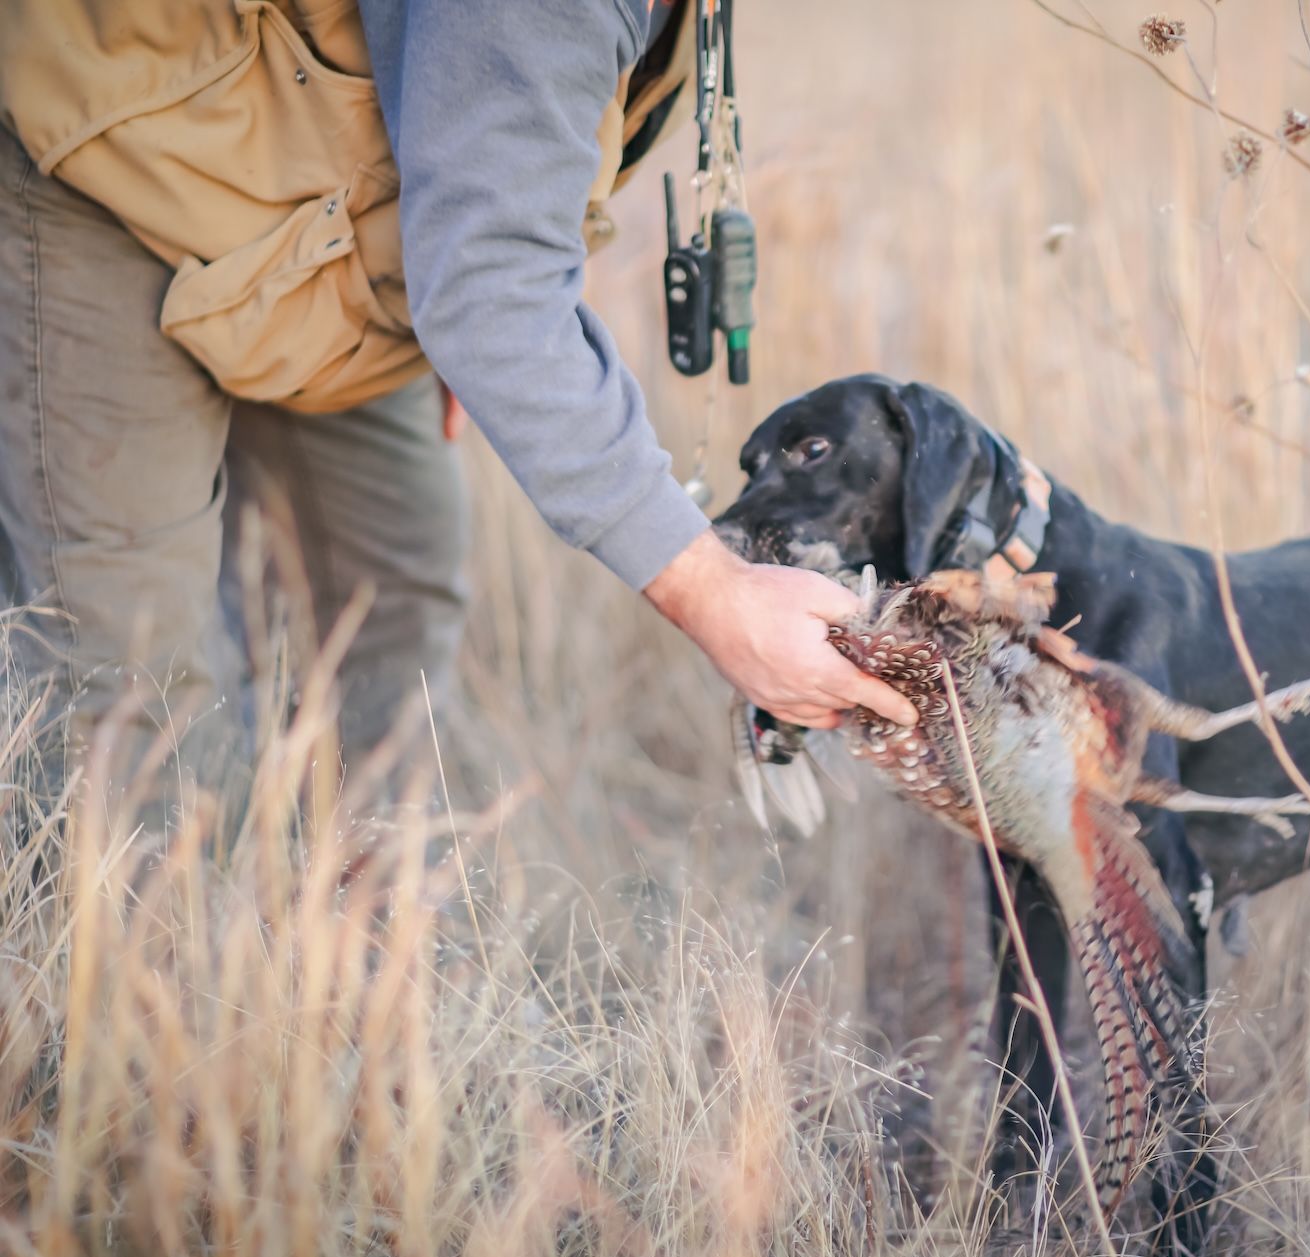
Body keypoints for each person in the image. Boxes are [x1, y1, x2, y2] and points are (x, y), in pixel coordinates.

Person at [0, 0, 915, 819]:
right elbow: (490, 291)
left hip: (324, 182)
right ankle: (122, 986)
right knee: (124, 676)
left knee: (391, 591)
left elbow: (510, 170)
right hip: (107, 158)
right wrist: (719, 598)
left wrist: (454, 280)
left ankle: (359, 970)